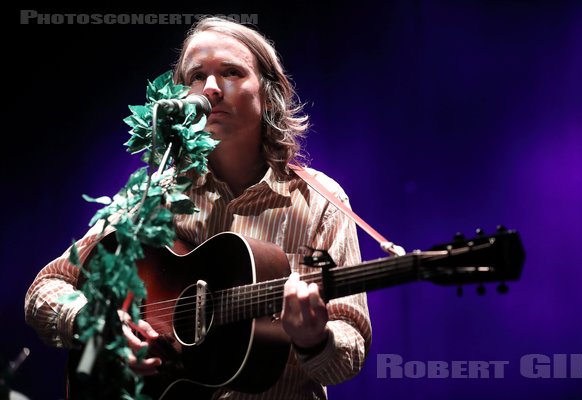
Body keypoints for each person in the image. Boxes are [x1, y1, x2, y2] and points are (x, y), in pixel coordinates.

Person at [24, 16, 371, 400]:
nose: (209, 89)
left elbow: (349, 352)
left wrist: (314, 340)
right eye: (195, 76)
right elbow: (47, 289)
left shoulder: (321, 200)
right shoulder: (157, 195)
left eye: (231, 72)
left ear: (268, 93)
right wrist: (101, 326)